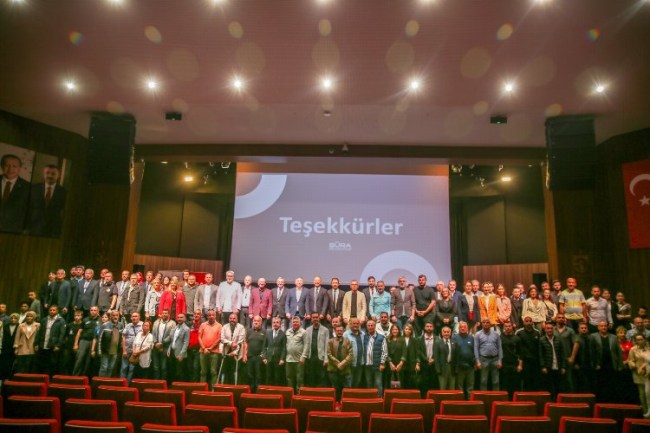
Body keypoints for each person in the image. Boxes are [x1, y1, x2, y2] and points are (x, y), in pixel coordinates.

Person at [590, 320, 624, 402]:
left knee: (611, 385)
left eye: (605, 326)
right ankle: (600, 401)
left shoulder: (614, 337)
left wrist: (620, 365)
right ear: (598, 327)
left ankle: (610, 401)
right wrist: (594, 364)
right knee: (600, 385)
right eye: (601, 326)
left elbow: (618, 352)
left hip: (611, 365)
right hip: (599, 365)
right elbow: (591, 352)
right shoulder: (593, 336)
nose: (604, 327)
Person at [0, 153, 30, 233]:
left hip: (13, 231)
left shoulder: (28, 188)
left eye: (14, 166)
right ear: (1, 166)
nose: (10, 169)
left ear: (19, 168)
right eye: (7, 165)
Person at [35, 304, 64, 376]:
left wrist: (58, 345)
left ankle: (50, 380)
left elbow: (62, 334)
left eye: (54, 310)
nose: (52, 311)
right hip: (42, 345)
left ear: (57, 311)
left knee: (52, 364)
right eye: (50, 310)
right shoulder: (44, 320)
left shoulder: (61, 321)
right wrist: (36, 343)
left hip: (53, 346)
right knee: (41, 364)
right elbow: (39, 332)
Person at [539, 322, 566, 399]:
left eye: (551, 328)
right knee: (548, 387)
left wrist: (563, 366)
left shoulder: (558, 339)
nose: (550, 330)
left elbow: (562, 354)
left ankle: (558, 402)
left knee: (558, 386)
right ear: (545, 330)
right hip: (548, 367)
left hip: (558, 366)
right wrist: (543, 366)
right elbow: (541, 355)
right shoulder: (541, 340)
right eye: (548, 328)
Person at [474, 318, 503, 390]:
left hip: (495, 359)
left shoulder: (496, 334)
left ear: (490, 324)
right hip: (483, 359)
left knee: (496, 381)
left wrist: (500, 360)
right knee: (483, 381)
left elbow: (500, 347)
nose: (486, 324)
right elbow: (476, 348)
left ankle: (496, 396)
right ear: (482, 324)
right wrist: (477, 361)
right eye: (484, 322)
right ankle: (483, 396)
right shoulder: (478, 334)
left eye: (487, 322)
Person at [327, 324, 353, 402]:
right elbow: (329, 354)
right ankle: (336, 404)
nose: (339, 332)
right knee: (335, 389)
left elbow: (351, 354)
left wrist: (342, 364)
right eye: (337, 330)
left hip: (345, 369)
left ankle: (345, 404)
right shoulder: (330, 341)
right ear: (335, 331)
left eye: (341, 331)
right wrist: (338, 363)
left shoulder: (347, 341)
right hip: (333, 369)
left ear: (343, 331)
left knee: (346, 389)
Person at [554, 313, 579, 392]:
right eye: (559, 317)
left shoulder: (570, 331)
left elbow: (576, 343)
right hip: (555, 359)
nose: (561, 319)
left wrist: (572, 357)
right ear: (556, 319)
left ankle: (570, 397)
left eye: (562, 318)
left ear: (565, 320)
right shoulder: (552, 329)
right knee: (556, 381)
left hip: (567, 358)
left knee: (569, 380)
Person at [72, 306, 100, 376]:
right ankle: (75, 376)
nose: (93, 312)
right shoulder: (85, 320)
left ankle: (84, 377)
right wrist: (75, 344)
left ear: (98, 311)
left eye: (95, 310)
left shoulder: (100, 320)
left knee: (88, 361)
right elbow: (79, 332)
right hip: (84, 341)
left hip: (93, 342)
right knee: (79, 359)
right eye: (91, 310)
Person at [515, 316, 541, 391]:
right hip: (523, 361)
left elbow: (539, 347)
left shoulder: (537, 332)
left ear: (532, 322)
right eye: (526, 321)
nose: (529, 323)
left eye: (530, 321)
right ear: (523, 323)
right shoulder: (519, 332)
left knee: (535, 379)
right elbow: (516, 346)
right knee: (525, 380)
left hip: (535, 360)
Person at [304, 312, 329, 387]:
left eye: (316, 317)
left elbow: (327, 345)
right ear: (311, 319)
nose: (315, 319)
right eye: (313, 317)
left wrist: (326, 358)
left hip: (320, 357)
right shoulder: (307, 330)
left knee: (321, 378)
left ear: (319, 318)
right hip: (310, 357)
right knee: (311, 378)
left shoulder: (325, 330)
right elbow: (306, 344)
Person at [363, 319, 387, 397]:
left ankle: (379, 399)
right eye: (369, 325)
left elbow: (384, 352)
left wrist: (382, 363)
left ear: (375, 326)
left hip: (377, 365)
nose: (370, 327)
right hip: (367, 365)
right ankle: (370, 400)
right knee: (368, 383)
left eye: (372, 325)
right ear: (367, 327)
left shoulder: (381, 337)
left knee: (378, 383)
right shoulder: (364, 337)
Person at [627, 334, 650, 417]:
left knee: (648, 393)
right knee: (642, 394)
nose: (640, 341)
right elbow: (630, 361)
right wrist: (636, 366)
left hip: (648, 373)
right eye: (638, 340)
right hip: (639, 373)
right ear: (635, 341)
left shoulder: (649, 348)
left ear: (645, 339)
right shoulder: (633, 349)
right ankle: (645, 412)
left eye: (641, 339)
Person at [220, 312, 246, 384]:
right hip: (226, 352)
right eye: (231, 318)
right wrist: (231, 343)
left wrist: (235, 352)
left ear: (237, 319)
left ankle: (235, 387)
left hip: (236, 353)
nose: (232, 320)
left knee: (235, 371)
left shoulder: (241, 327)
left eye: (234, 318)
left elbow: (240, 342)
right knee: (225, 371)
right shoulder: (224, 327)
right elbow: (222, 339)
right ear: (228, 319)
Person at [198, 309, 222, 387]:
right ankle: (202, 389)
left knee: (213, 372)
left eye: (213, 315)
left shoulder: (219, 326)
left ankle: (213, 390)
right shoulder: (203, 325)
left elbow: (219, 338)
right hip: (203, 351)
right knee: (203, 372)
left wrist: (211, 348)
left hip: (214, 352)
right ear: (207, 316)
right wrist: (204, 348)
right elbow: (199, 337)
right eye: (209, 315)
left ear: (215, 316)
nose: (211, 316)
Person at [96, 310, 123, 377]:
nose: (115, 317)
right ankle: (100, 381)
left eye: (117, 315)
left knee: (110, 368)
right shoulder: (105, 325)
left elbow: (121, 338)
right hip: (105, 350)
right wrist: (99, 350)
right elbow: (99, 339)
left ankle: (107, 381)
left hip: (115, 350)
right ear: (110, 316)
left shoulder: (121, 325)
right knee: (104, 367)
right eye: (113, 315)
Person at [285, 315, 308, 393]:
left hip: (299, 360)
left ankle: (299, 396)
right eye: (293, 322)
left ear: (300, 323)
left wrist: (303, 356)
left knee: (299, 379)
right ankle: (290, 394)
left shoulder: (304, 332)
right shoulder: (288, 331)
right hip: (288, 359)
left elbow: (306, 345)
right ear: (291, 323)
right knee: (289, 378)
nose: (295, 323)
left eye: (297, 322)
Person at [499, 321, 522, 398]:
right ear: (503, 328)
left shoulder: (517, 338)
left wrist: (520, 365)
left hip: (514, 364)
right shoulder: (500, 337)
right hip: (504, 364)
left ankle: (514, 401)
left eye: (509, 326)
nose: (508, 328)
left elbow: (520, 353)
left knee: (514, 385)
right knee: (504, 384)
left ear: (512, 327)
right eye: (506, 326)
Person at [243, 315, 266, 391]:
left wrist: (263, 355)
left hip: (258, 357)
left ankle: (258, 392)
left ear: (261, 322)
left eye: (258, 321)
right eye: (255, 321)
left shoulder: (264, 332)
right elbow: (245, 343)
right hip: (249, 357)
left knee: (258, 375)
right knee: (250, 375)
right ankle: (251, 391)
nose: (256, 322)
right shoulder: (249, 331)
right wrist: (244, 354)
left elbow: (265, 345)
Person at [151, 308, 176, 380]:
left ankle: (163, 383)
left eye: (166, 313)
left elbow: (171, 335)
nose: (164, 314)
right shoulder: (156, 322)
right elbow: (153, 333)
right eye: (163, 313)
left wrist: (162, 343)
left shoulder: (172, 323)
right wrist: (155, 343)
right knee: (155, 367)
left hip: (165, 347)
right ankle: (156, 383)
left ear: (168, 314)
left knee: (163, 367)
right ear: (161, 314)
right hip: (156, 347)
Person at [262, 316, 286, 386]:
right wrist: (264, 357)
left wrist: (282, 359)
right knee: (268, 377)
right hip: (268, 359)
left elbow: (284, 348)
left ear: (280, 324)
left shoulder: (283, 334)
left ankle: (276, 391)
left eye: (277, 322)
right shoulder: (268, 333)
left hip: (278, 359)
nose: (275, 324)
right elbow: (264, 346)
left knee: (277, 378)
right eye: (274, 322)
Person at [121, 312, 143, 383]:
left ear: (139, 317)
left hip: (136, 352)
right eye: (133, 316)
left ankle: (127, 384)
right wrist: (124, 350)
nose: (134, 318)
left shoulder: (142, 325)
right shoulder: (128, 326)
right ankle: (121, 383)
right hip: (127, 350)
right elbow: (124, 338)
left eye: (136, 316)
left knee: (131, 369)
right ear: (130, 318)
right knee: (124, 368)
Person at [168, 312, 190, 383]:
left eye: (181, 317)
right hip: (172, 352)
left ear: (185, 319)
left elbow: (186, 343)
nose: (179, 319)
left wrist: (181, 354)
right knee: (172, 371)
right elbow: (172, 340)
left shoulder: (186, 329)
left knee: (180, 372)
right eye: (178, 317)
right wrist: (169, 349)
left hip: (180, 353)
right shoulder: (175, 328)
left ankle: (180, 387)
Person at [418, 321, 437, 396]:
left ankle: (432, 399)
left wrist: (433, 359)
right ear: (424, 328)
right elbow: (419, 351)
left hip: (434, 364)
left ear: (433, 328)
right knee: (424, 383)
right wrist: (426, 359)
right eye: (427, 326)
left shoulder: (437, 338)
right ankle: (424, 399)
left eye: (430, 326)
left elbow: (438, 351)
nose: (429, 328)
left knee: (433, 383)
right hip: (424, 364)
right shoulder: (419, 339)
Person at [434, 326, 456, 390]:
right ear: (442, 333)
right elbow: (436, 357)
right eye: (445, 332)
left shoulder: (454, 342)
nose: (446, 333)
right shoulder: (437, 343)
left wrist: (456, 369)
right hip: (442, 369)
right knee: (442, 388)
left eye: (448, 332)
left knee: (452, 388)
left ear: (450, 333)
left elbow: (456, 357)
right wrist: (438, 369)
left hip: (452, 368)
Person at [385, 324, 404, 390]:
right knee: (391, 384)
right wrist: (390, 363)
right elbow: (386, 352)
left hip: (400, 365)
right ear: (391, 330)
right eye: (393, 329)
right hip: (390, 365)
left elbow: (404, 352)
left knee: (399, 384)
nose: (395, 331)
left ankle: (398, 395)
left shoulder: (402, 339)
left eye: (396, 329)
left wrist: (401, 363)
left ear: (399, 330)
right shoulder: (387, 339)